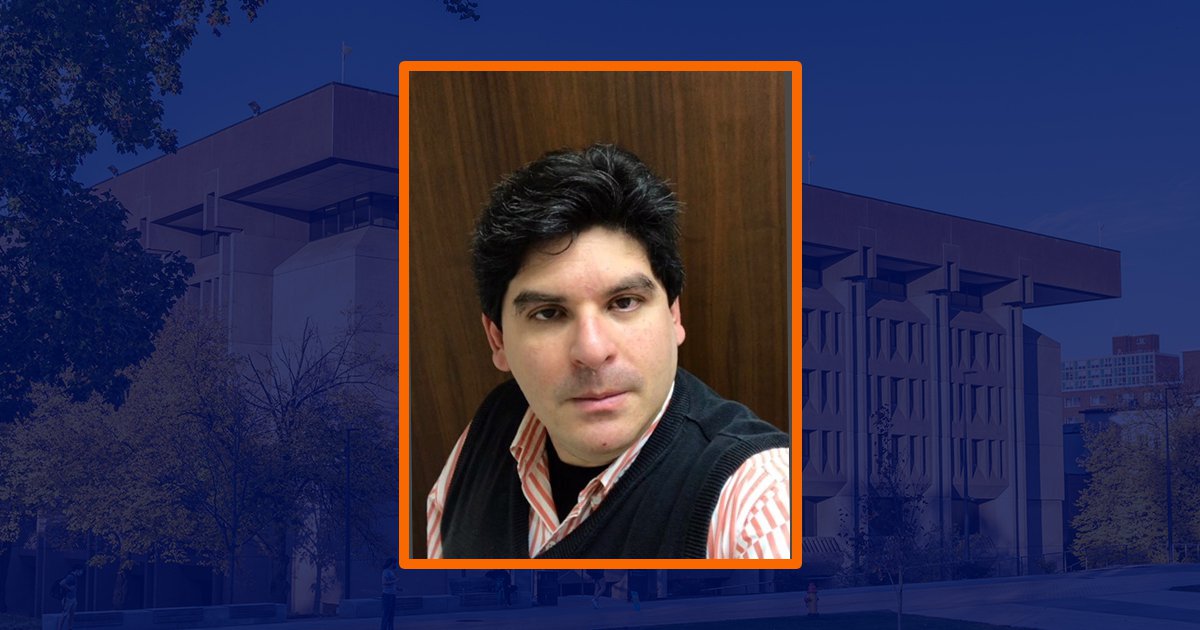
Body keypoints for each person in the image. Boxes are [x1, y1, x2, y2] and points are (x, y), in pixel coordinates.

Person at [426, 144, 790, 559]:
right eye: (549, 313)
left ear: (674, 316)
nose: (592, 350)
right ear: (498, 341)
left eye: (624, 302)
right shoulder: (488, 433)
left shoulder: (762, 506)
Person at [379, 558, 398, 630]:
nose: (395, 565)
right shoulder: (385, 572)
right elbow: (384, 582)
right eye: (394, 563)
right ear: (391, 563)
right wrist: (395, 580)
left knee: (391, 614)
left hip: (392, 595)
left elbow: (391, 583)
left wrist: (397, 588)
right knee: (386, 614)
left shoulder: (391, 572)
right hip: (387, 595)